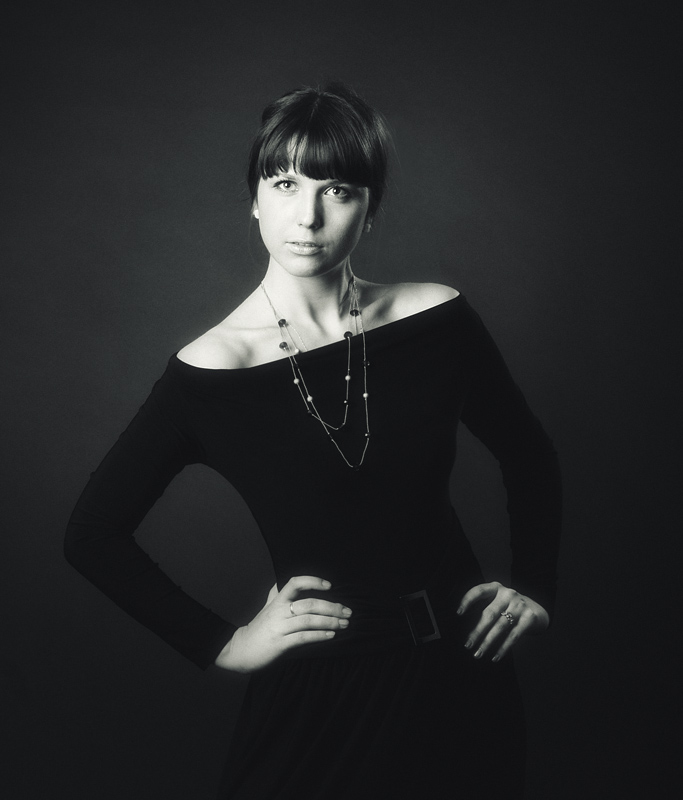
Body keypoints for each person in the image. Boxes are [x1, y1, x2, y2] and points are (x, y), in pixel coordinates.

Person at [64, 83, 561, 799]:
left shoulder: (437, 319)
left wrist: (535, 586)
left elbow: (529, 454)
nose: (308, 216)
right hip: (321, 699)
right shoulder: (212, 371)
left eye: (338, 190)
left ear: (370, 209)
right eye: (285, 184)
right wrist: (225, 643)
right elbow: (92, 535)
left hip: (463, 677)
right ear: (254, 200)